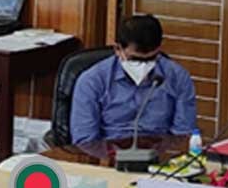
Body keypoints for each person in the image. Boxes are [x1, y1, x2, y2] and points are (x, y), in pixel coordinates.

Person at [70, 15, 196, 144]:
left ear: (159, 48)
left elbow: (182, 135)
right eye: (135, 59)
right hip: (109, 151)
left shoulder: (177, 77)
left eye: (150, 59)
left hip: (159, 151)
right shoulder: (92, 81)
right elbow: (85, 141)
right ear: (118, 49)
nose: (143, 65)